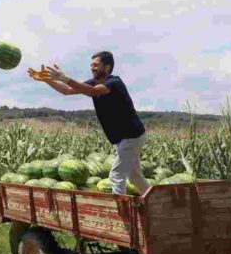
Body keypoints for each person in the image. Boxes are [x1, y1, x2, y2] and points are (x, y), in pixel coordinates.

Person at [28, 51, 150, 196]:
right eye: (91, 65)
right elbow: (66, 91)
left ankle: (121, 215)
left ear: (107, 66)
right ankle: (156, 200)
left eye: (96, 65)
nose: (92, 68)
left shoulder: (114, 82)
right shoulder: (93, 83)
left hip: (131, 136)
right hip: (125, 138)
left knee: (116, 176)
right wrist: (48, 80)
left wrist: (64, 77)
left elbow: (92, 92)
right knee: (135, 177)